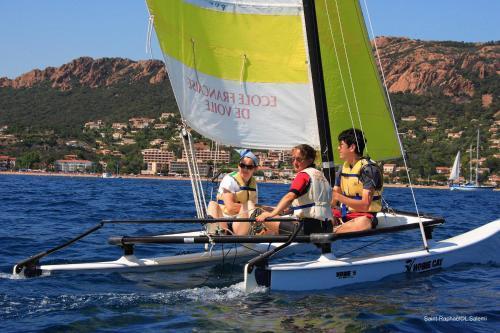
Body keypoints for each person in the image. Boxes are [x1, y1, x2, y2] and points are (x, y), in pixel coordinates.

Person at [256, 144, 333, 235]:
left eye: (299, 159)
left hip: (307, 230)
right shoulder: (321, 176)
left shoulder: (303, 175)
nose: (295, 162)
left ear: (310, 160)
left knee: (262, 216)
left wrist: (271, 214)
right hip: (327, 228)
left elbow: (290, 197)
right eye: (293, 159)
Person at [332, 128, 383, 233]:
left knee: (363, 223)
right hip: (344, 213)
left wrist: (338, 197)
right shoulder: (342, 168)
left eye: (341, 145)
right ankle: (335, 229)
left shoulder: (369, 170)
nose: (338, 148)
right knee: (319, 218)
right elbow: (334, 199)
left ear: (352, 147)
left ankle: (335, 231)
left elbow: (365, 205)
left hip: (364, 216)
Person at [206, 149, 260, 235]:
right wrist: (251, 209)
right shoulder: (229, 180)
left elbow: (255, 207)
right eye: (242, 165)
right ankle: (212, 234)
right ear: (238, 166)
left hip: (240, 224)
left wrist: (274, 210)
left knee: (251, 206)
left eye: (249, 167)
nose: (245, 169)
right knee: (212, 204)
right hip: (224, 223)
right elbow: (230, 207)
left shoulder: (253, 183)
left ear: (255, 169)